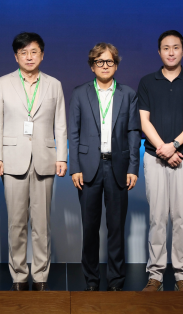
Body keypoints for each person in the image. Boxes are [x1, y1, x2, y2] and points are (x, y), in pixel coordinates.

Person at [0, 32, 68, 291]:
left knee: (42, 224)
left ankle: (41, 276)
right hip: (12, 160)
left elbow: (60, 124)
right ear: (16, 56)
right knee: (16, 223)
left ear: (42, 55)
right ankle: (19, 277)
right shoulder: (2, 83)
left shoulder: (54, 84)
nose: (29, 57)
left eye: (34, 52)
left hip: (45, 159)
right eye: (24, 52)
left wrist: (62, 156)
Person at [68, 43, 141, 292]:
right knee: (89, 228)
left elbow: (134, 133)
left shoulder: (128, 94)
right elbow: (73, 133)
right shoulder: (80, 93)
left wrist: (133, 168)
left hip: (118, 167)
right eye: (99, 62)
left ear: (116, 65)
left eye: (109, 61)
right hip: (88, 168)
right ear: (92, 66)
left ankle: (116, 282)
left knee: (116, 228)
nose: (105, 66)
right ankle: (91, 281)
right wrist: (74, 167)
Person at [138, 31, 183, 292]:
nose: (171, 52)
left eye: (176, 47)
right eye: (166, 48)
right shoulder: (147, 81)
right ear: (159, 52)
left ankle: (182, 276)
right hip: (154, 158)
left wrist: (174, 145)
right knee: (157, 218)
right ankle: (155, 275)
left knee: (181, 218)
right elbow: (144, 121)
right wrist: (163, 149)